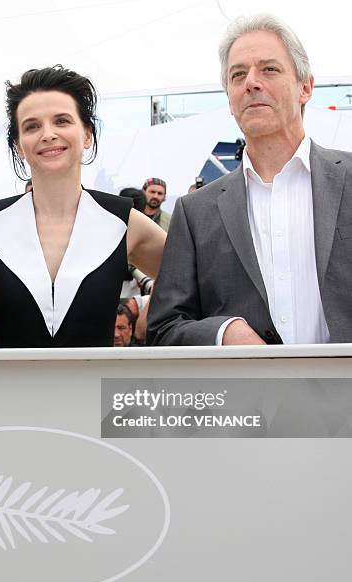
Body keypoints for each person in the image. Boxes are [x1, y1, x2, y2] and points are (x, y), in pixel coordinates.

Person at [147, 14, 352, 346]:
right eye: (237, 75)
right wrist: (222, 333)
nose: (251, 82)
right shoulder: (195, 212)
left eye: (269, 69)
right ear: (229, 99)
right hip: (245, 397)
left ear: (306, 87)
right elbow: (163, 327)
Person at [0, 66, 165, 347]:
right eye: (32, 126)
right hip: (7, 388)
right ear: (18, 145)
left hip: (95, 387)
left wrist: (149, 319)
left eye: (62, 121)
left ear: (87, 134)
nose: (48, 134)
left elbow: (191, 280)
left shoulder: (124, 221)